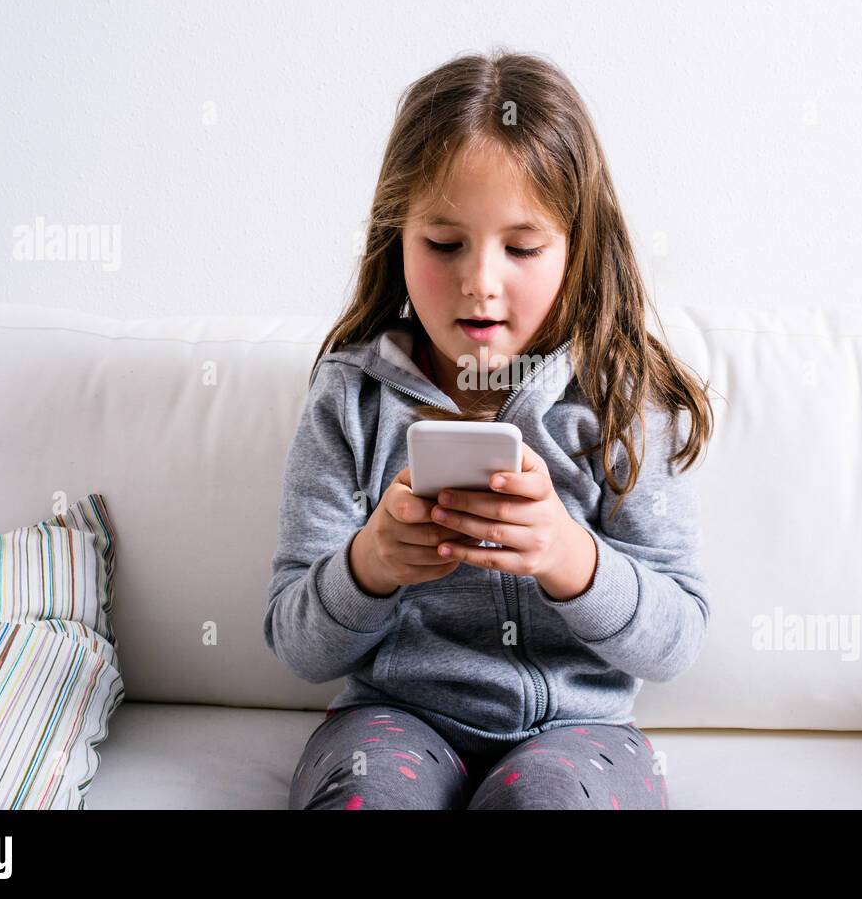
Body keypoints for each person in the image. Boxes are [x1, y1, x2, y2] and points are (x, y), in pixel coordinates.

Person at [264, 48, 716, 809]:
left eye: (522, 246)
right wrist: (370, 562)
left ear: (578, 248)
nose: (480, 279)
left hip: (580, 732)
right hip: (394, 719)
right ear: (395, 239)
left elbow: (678, 637)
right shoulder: (352, 403)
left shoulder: (621, 398)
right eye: (444, 243)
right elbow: (298, 644)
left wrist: (570, 557)